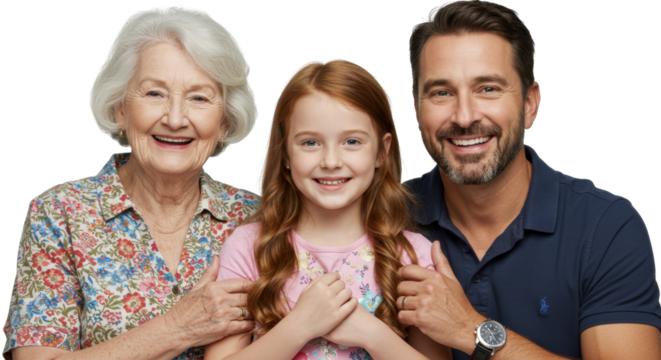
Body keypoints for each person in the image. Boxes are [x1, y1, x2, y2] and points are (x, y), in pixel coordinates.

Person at [397, 1, 661, 359]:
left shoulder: (605, 226)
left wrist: (470, 330)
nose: (464, 116)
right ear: (416, 110)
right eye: (441, 92)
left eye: (487, 88)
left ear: (530, 104)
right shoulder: (382, 216)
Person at [2, 4, 261, 359]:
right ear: (120, 108)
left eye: (199, 98)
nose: (174, 118)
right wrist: (177, 328)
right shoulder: (60, 212)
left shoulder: (257, 216)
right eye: (154, 93)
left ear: (225, 122)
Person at [203, 58, 452, 360]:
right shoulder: (248, 247)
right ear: (284, 154)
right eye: (310, 142)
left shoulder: (413, 256)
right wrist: (299, 326)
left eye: (351, 141)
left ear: (381, 152)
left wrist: (373, 334)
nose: (331, 161)